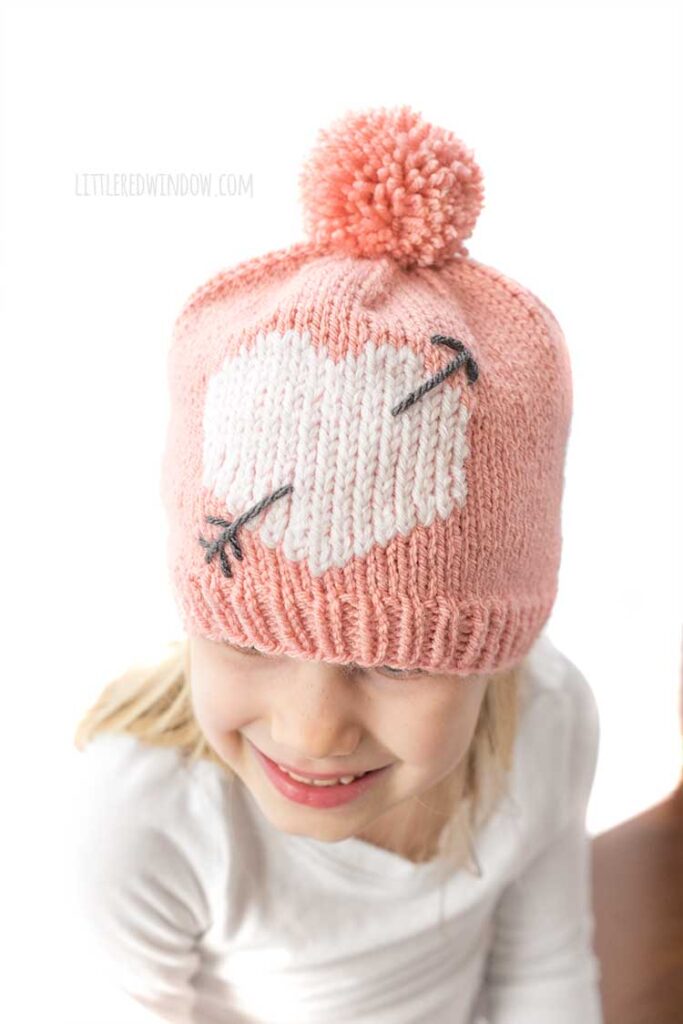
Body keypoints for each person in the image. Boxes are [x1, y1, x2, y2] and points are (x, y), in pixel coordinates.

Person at [73, 104, 604, 1024]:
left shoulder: (547, 722)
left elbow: (543, 975)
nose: (314, 731)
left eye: (396, 661)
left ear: (495, 649)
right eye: (248, 638)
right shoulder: (144, 817)